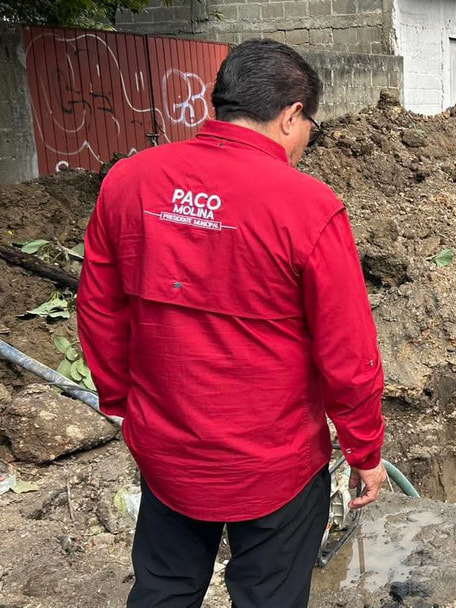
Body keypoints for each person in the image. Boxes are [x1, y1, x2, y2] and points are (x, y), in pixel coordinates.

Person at [77, 39, 387, 608]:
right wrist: (364, 450)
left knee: (164, 589)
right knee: (268, 596)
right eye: (309, 126)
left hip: (167, 452)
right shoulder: (309, 207)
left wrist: (122, 404)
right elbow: (348, 354)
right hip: (276, 465)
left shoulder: (129, 181)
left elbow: (99, 309)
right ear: (292, 114)